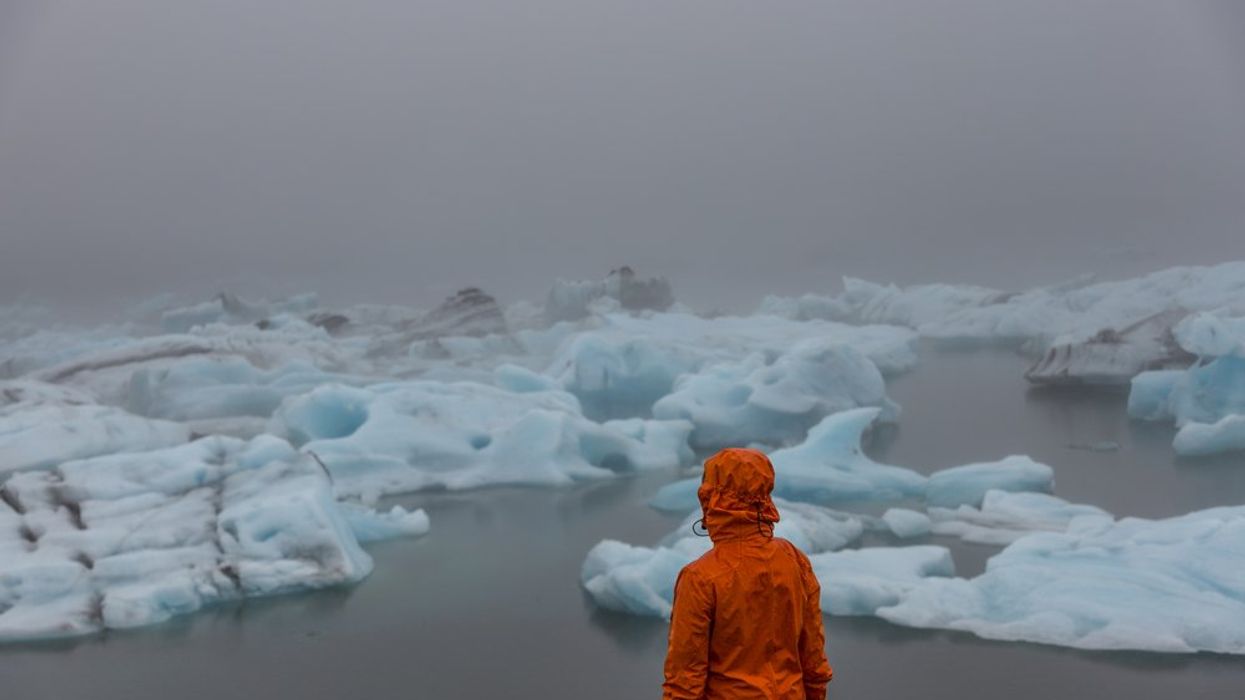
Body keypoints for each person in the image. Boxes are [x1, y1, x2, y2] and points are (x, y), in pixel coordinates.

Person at [662, 447, 834, 699]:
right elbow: (814, 657)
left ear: (711, 500)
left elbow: (685, 681)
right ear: (765, 495)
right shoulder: (794, 559)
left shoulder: (700, 577)